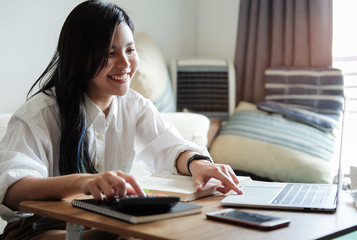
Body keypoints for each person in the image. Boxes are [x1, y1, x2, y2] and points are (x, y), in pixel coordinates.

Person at [0, 0, 242, 239]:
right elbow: (12, 191)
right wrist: (84, 183)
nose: (125, 64)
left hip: (106, 223)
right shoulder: (39, 114)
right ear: (80, 56)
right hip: (39, 230)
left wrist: (199, 165)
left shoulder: (136, 106)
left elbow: (171, 148)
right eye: (110, 53)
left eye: (130, 49)